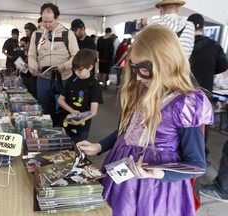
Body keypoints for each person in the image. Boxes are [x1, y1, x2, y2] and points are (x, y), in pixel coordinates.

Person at [77, 24, 214, 216]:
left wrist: (163, 173)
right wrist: (100, 146)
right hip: (122, 178)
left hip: (156, 192)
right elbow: (127, 132)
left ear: (165, 62)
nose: (137, 77)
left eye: (143, 69)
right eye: (133, 68)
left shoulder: (185, 104)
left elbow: (196, 164)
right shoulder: (141, 92)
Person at [188, 13, 228, 160]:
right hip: (204, 95)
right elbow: (223, 68)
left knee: (180, 124)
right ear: (203, 27)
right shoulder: (214, 46)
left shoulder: (181, 44)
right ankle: (199, 156)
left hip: (180, 92)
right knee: (202, 125)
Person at [28, 2, 79, 114]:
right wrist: (33, 68)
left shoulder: (67, 33)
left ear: (57, 18)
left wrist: (65, 66)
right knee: (43, 106)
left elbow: (76, 55)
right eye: (44, 21)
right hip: (43, 78)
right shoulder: (36, 34)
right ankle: (46, 129)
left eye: (50, 21)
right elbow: (31, 55)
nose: (47, 25)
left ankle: (63, 128)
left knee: (64, 108)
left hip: (64, 78)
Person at [58, 48, 103, 143]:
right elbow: (60, 100)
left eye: (79, 70)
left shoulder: (94, 85)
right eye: (74, 69)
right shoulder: (72, 80)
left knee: (78, 148)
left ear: (90, 67)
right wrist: (72, 111)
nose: (76, 73)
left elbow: (93, 111)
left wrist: (79, 121)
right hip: (66, 121)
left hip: (82, 127)